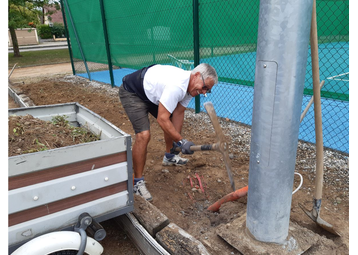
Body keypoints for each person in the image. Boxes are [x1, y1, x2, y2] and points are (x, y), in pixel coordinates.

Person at [118, 63, 218, 201]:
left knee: (170, 121)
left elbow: (178, 113)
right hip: (133, 92)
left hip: (151, 92)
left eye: (208, 90)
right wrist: (182, 141)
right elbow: (162, 119)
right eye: (205, 87)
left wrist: (178, 142)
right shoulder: (177, 86)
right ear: (196, 75)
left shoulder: (191, 88)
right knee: (144, 135)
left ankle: (169, 156)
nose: (204, 92)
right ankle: (137, 182)